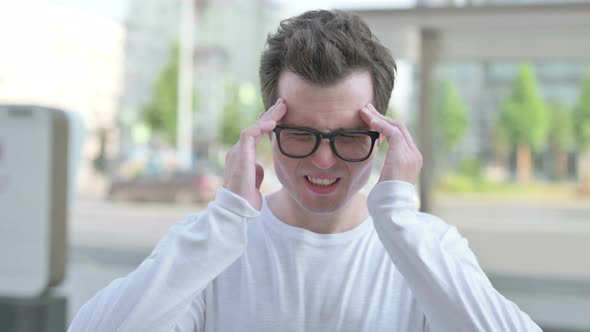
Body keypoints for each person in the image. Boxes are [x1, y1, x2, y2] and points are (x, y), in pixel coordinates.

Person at [69, 9, 541, 332]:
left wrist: (397, 217)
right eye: (299, 134)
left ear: (385, 137)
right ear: (265, 130)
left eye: (349, 136)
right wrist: (223, 220)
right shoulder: (214, 246)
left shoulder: (423, 247)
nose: (322, 160)